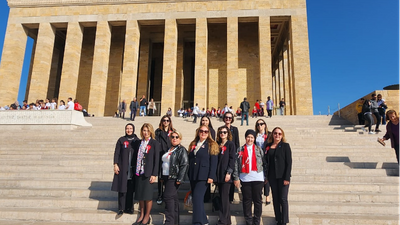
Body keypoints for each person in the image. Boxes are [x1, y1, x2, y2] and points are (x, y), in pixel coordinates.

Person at [233, 129, 267, 225]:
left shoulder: (259, 149)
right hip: (245, 178)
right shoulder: (240, 149)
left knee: (257, 200)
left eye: (252, 137)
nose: (250, 139)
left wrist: (266, 176)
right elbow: (236, 164)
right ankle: (248, 220)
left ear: (254, 138)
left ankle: (256, 221)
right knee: (247, 200)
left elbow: (264, 163)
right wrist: (236, 177)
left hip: (258, 177)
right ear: (245, 138)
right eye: (248, 137)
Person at [188, 125, 218, 225]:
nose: (203, 133)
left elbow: (213, 162)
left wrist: (211, 176)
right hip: (193, 175)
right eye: (201, 131)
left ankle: (197, 221)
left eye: (206, 131)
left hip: (203, 175)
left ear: (208, 133)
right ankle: (204, 220)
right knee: (198, 199)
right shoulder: (194, 143)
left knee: (197, 197)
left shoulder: (211, 144)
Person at [132, 123, 160, 225]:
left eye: (148, 131)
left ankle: (147, 216)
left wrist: (154, 174)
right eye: (144, 130)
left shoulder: (154, 143)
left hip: (148, 172)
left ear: (151, 132)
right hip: (139, 172)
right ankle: (142, 214)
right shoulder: (140, 142)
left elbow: (156, 160)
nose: (146, 133)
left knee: (147, 196)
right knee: (140, 195)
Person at [265, 127, 292, 225]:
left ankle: (284, 221)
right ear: (272, 134)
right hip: (272, 177)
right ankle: (278, 219)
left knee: (283, 199)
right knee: (275, 199)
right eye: (275, 133)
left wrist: (287, 178)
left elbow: (289, 163)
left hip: (282, 177)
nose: (277, 135)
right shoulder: (268, 146)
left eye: (279, 134)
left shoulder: (285, 146)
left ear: (282, 135)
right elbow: (266, 162)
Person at [161, 130, 189, 225]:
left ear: (180, 139)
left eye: (177, 137)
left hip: (173, 177)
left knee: (168, 198)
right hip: (166, 177)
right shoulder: (169, 149)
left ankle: (169, 221)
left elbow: (184, 164)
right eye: (172, 137)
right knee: (173, 200)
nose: (174, 139)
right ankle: (175, 222)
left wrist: (180, 178)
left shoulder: (182, 150)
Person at [111, 123, 138, 216]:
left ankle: (129, 208)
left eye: (130, 128)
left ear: (133, 129)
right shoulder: (121, 140)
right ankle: (121, 208)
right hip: (123, 168)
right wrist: (115, 164)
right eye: (127, 128)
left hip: (133, 169)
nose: (129, 130)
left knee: (130, 189)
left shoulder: (137, 140)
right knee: (122, 189)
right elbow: (117, 153)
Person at [216, 126, 236, 225]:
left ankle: (223, 220)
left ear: (228, 134)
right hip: (219, 175)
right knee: (223, 198)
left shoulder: (230, 144)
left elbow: (232, 159)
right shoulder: (218, 145)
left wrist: (229, 173)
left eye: (224, 132)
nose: (222, 134)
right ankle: (227, 221)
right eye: (221, 132)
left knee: (224, 198)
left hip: (226, 175)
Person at [155, 116, 174, 205]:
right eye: (164, 120)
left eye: (167, 120)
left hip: (170, 157)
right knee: (161, 177)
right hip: (161, 156)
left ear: (170, 122)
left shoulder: (173, 131)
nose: (166, 122)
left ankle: (167, 195)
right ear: (162, 122)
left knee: (168, 177)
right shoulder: (158, 132)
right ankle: (160, 195)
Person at [221, 112, 240, 202]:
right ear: (224, 118)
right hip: (224, 154)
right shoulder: (221, 129)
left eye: (229, 118)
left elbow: (237, 142)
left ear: (232, 119)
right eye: (226, 117)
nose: (228, 119)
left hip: (232, 154)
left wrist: (237, 154)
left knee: (231, 175)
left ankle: (231, 197)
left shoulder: (234, 129)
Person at [254, 119, 272, 205]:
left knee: (266, 177)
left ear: (265, 125)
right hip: (257, 158)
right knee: (260, 176)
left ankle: (267, 196)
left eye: (261, 124)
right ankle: (259, 194)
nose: (260, 126)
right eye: (258, 124)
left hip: (266, 157)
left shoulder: (269, 134)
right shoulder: (255, 135)